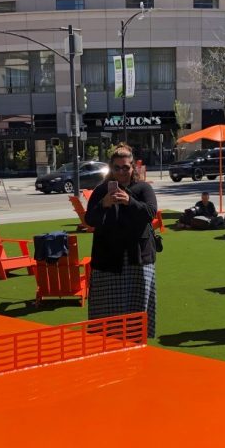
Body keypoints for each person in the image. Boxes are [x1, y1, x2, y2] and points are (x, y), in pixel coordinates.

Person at [84, 144, 158, 338]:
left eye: (126, 167)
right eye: (117, 167)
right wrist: (104, 204)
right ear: (111, 168)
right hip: (108, 260)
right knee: (107, 315)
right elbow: (89, 219)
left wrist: (129, 201)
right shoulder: (101, 191)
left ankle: (136, 348)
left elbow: (150, 213)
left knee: (136, 313)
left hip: (138, 259)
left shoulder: (143, 188)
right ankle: (107, 348)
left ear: (133, 167)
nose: (121, 172)